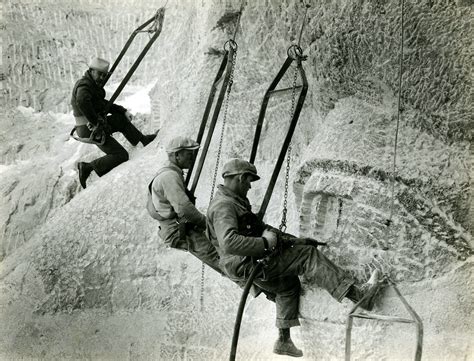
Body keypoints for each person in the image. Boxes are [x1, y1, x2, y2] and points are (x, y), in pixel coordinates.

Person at [206, 158, 383, 358]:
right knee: (308, 257)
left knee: (287, 285)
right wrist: (266, 244)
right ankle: (359, 295)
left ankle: (283, 339)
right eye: (248, 181)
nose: (249, 186)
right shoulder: (224, 206)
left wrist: (297, 241)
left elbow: (263, 229)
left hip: (245, 263)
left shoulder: (234, 203)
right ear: (239, 178)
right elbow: (229, 242)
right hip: (247, 263)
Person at [71, 57, 158, 188]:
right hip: (89, 128)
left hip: (94, 125)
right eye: (99, 74)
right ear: (91, 71)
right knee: (121, 155)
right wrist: (96, 123)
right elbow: (82, 101)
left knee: (119, 119)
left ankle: (143, 140)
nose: (101, 77)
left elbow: (103, 104)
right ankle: (88, 167)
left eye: (103, 75)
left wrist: (122, 111)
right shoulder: (84, 86)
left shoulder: (92, 85)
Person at [147, 136, 222, 274]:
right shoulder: (169, 176)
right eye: (189, 154)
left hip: (177, 227)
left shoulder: (169, 172)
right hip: (177, 230)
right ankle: (267, 290)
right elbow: (184, 209)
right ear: (176, 155)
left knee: (221, 256)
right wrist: (207, 224)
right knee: (219, 258)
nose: (192, 157)